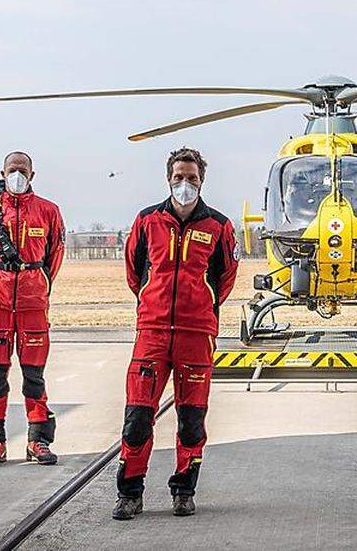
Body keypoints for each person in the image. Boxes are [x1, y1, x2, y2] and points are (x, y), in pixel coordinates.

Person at [112, 147, 239, 520]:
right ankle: (130, 493)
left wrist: (201, 305)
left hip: (196, 335)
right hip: (151, 333)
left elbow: (224, 278)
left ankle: (184, 489)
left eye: (192, 178)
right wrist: (153, 303)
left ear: (202, 181)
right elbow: (135, 272)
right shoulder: (147, 220)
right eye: (179, 178)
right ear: (168, 179)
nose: (185, 184)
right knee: (137, 418)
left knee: (191, 419)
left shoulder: (219, 226)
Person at [0, 151, 66, 466]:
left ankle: (38, 441)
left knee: (34, 376)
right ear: (3, 172)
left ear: (32, 175)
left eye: (22, 170)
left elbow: (55, 255)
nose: (17, 175)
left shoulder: (49, 211)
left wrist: (36, 282)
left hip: (33, 304)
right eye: (12, 170)